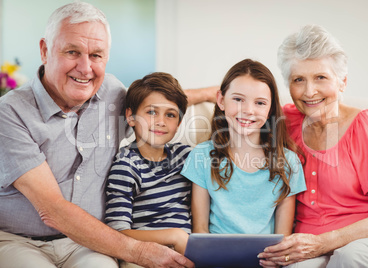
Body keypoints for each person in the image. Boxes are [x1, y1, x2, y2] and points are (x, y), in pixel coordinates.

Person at [0, 2, 215, 267]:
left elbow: (154, 105)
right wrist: (138, 251)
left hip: (89, 242)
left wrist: (214, 95)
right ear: (45, 50)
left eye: (96, 55)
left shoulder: (111, 91)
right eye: (72, 52)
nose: (85, 68)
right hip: (20, 240)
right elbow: (52, 210)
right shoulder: (10, 112)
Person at [258, 24, 368, 268]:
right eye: (298, 79)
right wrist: (191, 97)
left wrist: (323, 243)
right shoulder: (286, 121)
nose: (309, 91)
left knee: (350, 257)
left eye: (320, 77)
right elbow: (242, 96)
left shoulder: (367, 123)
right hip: (308, 246)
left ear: (342, 82)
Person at [181, 59, 306, 240]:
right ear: (221, 101)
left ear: (270, 109)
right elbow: (200, 230)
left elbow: (283, 237)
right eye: (238, 99)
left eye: (260, 103)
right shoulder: (202, 156)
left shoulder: (288, 162)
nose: (248, 110)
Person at [105, 72, 192, 264]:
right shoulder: (126, 165)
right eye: (151, 112)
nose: (161, 121)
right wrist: (175, 236)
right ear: (131, 116)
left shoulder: (185, 156)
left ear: (178, 124)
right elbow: (117, 233)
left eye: (170, 115)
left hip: (188, 253)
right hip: (143, 257)